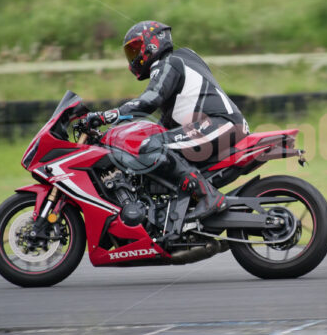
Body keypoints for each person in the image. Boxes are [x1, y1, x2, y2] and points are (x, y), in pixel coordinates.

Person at [86, 20, 249, 221]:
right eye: (130, 52)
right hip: (217, 124)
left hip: (220, 123)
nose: (134, 56)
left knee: (153, 146)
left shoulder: (168, 63)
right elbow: (164, 122)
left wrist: (107, 115)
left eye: (136, 48)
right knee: (151, 143)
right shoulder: (182, 61)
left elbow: (149, 100)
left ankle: (208, 196)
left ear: (152, 43)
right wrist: (114, 133)